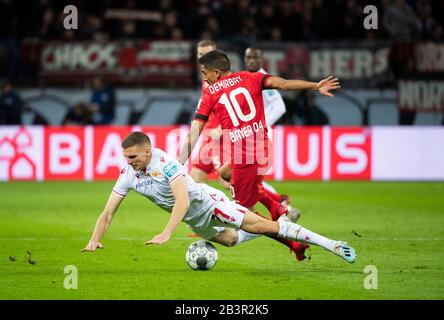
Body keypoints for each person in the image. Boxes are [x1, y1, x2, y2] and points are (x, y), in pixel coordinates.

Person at [81, 131, 356, 266]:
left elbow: (183, 201)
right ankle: (266, 218)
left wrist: (166, 232)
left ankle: (331, 244)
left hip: (209, 205)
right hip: (195, 221)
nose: (128, 162)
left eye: (133, 157)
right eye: (125, 157)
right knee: (232, 241)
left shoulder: (167, 165)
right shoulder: (127, 174)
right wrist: (95, 237)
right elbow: (107, 214)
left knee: (266, 227)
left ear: (148, 151)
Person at [179, 50, 341, 258]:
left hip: (243, 156)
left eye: (205, 73)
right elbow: (283, 84)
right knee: (224, 173)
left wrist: (178, 163)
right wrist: (315, 86)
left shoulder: (209, 94)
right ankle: (277, 208)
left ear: (217, 73)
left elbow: (194, 133)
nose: (204, 78)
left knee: (246, 219)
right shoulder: (251, 77)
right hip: (262, 148)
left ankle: (294, 244)